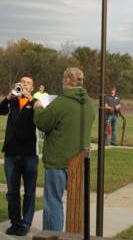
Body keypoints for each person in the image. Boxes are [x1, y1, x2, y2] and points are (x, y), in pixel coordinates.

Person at [33, 67, 95, 231]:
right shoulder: (89, 103)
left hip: (58, 160)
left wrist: (38, 109)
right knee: (77, 204)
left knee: (53, 202)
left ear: (67, 81)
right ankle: (75, 238)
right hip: (80, 160)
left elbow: (43, 123)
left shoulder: (61, 102)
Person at [0, 75, 38, 236]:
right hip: (11, 152)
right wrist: (8, 96)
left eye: (28, 83)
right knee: (12, 191)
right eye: (22, 82)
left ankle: (26, 223)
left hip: (29, 153)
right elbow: (0, 111)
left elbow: (44, 113)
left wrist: (30, 98)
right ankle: (15, 222)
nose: (25, 85)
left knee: (29, 191)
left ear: (32, 88)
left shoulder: (36, 103)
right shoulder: (13, 101)